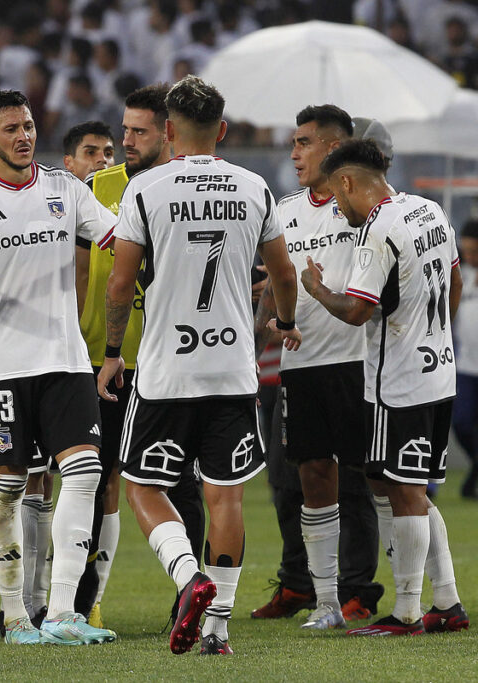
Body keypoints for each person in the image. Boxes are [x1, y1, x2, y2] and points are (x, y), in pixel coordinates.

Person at [98, 75, 302, 656]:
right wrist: (284, 323)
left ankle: (190, 578)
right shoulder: (256, 187)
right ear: (224, 130)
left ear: (167, 130)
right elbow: (283, 274)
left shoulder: (145, 190)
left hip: (166, 369)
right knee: (225, 495)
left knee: (139, 483)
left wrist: (113, 354)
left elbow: (119, 284)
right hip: (232, 370)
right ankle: (218, 632)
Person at [0, 89, 118, 646]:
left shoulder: (65, 188)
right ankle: (14, 618)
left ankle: (60, 612)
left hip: (65, 360)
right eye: (12, 128)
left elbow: (117, 238)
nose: (25, 136)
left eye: (29, 125)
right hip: (3, 368)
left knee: (82, 474)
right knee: (7, 489)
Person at [302, 138, 469, 636]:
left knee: (402, 489)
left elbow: (358, 311)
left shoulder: (378, 230)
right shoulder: (428, 211)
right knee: (410, 488)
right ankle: (448, 602)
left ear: (349, 182)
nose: (337, 207)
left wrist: (317, 290)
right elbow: (456, 281)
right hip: (439, 370)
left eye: (336, 196)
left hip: (399, 382)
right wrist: (433, 333)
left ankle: (408, 612)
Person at [74, 84, 207, 629]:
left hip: (167, 362)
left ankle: (190, 592)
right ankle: (79, 601)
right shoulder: (96, 187)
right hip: (99, 362)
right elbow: (79, 271)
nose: (123, 141)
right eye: (123, 129)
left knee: (181, 480)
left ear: (168, 133)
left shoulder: (186, 189)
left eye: (138, 131)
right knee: (92, 479)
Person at [251, 107, 385, 628]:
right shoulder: (283, 210)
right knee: (304, 477)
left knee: (361, 480)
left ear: (332, 148)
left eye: (303, 142)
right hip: (300, 365)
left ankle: (360, 592)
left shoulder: (363, 210)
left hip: (357, 361)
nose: (294, 153)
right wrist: (261, 327)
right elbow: (275, 281)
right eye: (293, 142)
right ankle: (321, 599)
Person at [452, 219, 478, 498]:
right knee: (460, 423)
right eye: (466, 250)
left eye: (475, 251)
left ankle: (472, 478)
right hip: (467, 367)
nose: (469, 256)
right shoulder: (462, 275)